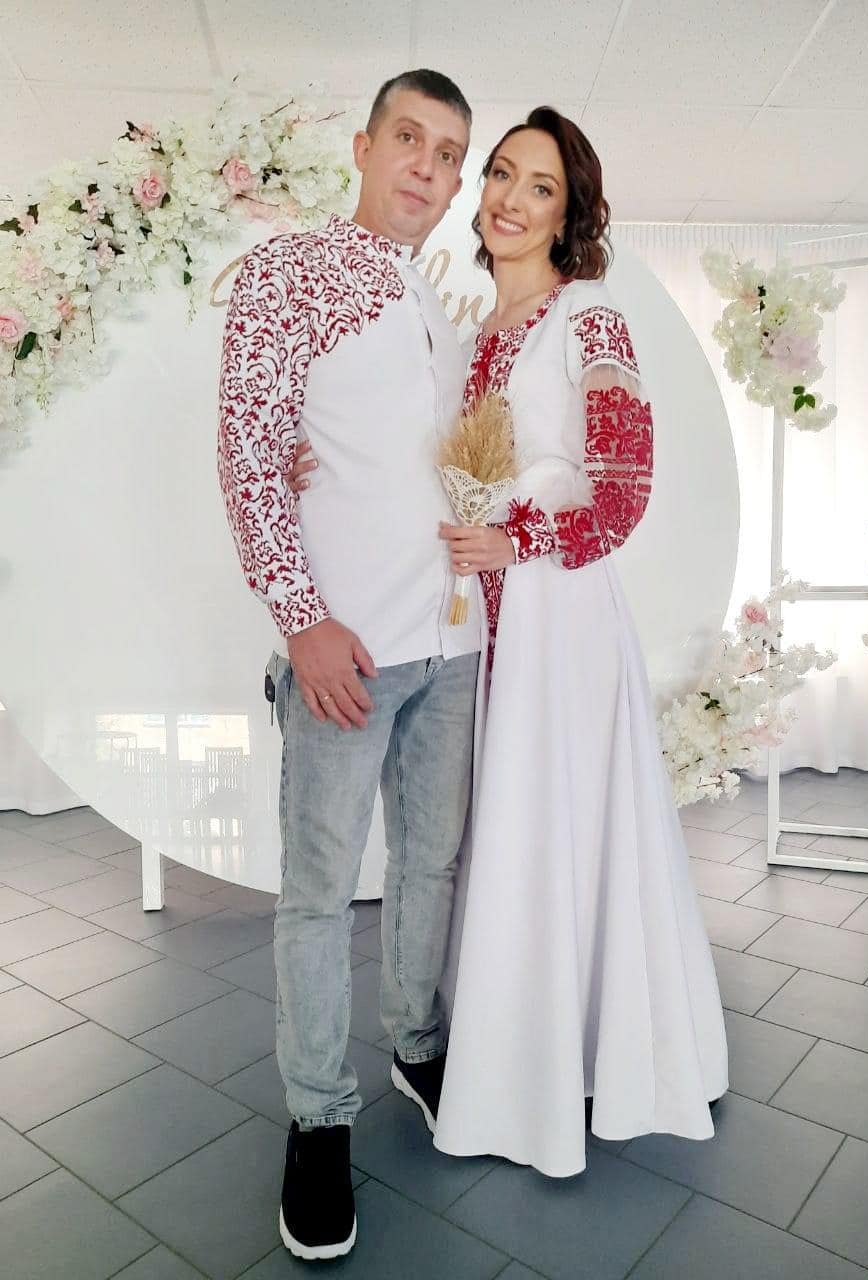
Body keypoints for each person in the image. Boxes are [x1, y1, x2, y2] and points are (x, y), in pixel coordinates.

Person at [430, 108, 729, 1176]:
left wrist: (519, 539)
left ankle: (594, 1051)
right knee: (509, 823)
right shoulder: (472, 336)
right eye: (501, 174)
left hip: (561, 619)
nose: (510, 199)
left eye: (541, 186)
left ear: (570, 215)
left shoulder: (589, 316)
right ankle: (518, 1054)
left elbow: (624, 491)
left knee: (562, 816)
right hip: (491, 617)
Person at [217, 69, 479, 1261]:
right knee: (320, 892)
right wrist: (301, 617)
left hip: (451, 644)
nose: (428, 164)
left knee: (430, 859)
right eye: (409, 138)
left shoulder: (437, 302)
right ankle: (320, 1118)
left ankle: (416, 1045)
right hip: (347, 649)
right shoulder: (290, 271)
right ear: (365, 148)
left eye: (450, 152)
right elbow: (249, 450)